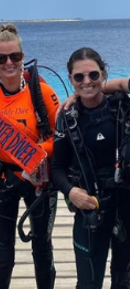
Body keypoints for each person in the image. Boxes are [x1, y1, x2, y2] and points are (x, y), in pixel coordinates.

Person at [0, 23, 60, 289]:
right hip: (0, 181)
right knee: (3, 254)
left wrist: (39, 154)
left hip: (37, 181)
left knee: (43, 247)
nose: (8, 63)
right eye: (1, 58)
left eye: (14, 56)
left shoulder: (44, 93)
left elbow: (61, 139)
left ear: (23, 57)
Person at [51, 48, 130, 289]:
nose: (87, 82)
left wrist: (110, 86)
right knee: (88, 284)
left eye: (93, 75)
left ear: (104, 73)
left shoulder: (122, 107)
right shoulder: (68, 117)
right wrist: (70, 191)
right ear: (70, 80)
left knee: (124, 280)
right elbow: (56, 168)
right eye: (79, 77)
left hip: (126, 204)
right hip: (90, 209)